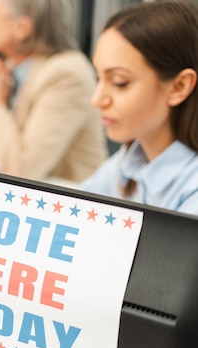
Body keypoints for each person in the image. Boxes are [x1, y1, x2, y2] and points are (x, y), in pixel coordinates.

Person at [0, 0, 108, 183]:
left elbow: (23, 170)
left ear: (22, 27)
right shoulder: (12, 65)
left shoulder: (66, 75)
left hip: (73, 202)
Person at [80, 0, 198, 215]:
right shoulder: (128, 161)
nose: (97, 100)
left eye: (119, 82)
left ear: (179, 87)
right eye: (99, 78)